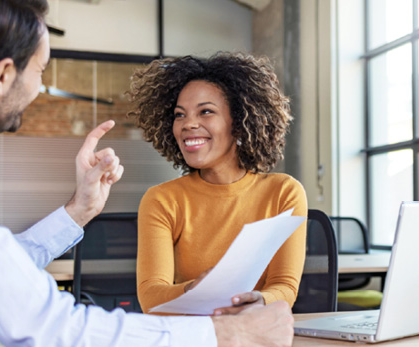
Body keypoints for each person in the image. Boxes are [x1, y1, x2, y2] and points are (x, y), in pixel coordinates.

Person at [0, 1, 293, 346]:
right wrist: (222, 334)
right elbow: (45, 326)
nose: (40, 89)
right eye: (40, 71)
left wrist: (78, 211)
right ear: (4, 75)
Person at [129, 52, 307, 315]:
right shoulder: (161, 200)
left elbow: (284, 287)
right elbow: (150, 297)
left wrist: (258, 301)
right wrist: (195, 290)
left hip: (256, 330)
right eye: (180, 115)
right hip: (192, 334)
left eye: (206, 111)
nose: (188, 124)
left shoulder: (283, 193)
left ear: (240, 121)